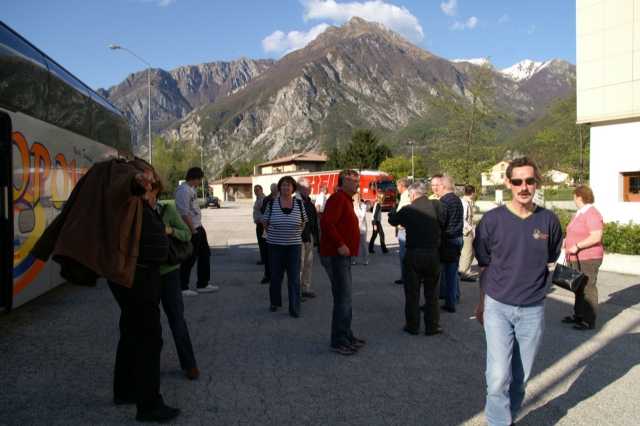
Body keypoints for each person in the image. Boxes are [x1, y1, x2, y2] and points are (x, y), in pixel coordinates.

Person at [30, 159, 181, 423]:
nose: (150, 185)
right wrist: (135, 182)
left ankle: (124, 390)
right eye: (148, 179)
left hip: (144, 276)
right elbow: (119, 186)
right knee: (148, 337)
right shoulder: (125, 179)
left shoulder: (142, 203)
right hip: (136, 276)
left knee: (131, 331)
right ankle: (149, 405)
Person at [473, 156, 562, 426]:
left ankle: (508, 416)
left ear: (538, 182)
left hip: (533, 308)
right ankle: (498, 422)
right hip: (498, 306)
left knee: (520, 379)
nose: (524, 187)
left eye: (529, 181)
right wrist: (482, 303)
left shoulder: (549, 221)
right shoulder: (491, 220)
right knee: (498, 375)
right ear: (508, 183)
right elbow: (484, 264)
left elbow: (551, 257)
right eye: (518, 181)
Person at [148, 174, 200, 381]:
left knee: (177, 320)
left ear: (155, 191)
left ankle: (189, 364)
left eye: (148, 190)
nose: (144, 194)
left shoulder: (166, 211)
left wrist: (169, 230)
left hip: (168, 274)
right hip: (144, 276)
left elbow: (186, 234)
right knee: (148, 325)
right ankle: (148, 368)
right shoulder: (134, 213)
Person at [320, 169, 366, 356]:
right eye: (355, 181)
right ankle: (339, 341)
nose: (358, 184)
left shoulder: (345, 199)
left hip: (341, 257)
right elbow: (326, 222)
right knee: (343, 299)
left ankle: (346, 335)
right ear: (344, 181)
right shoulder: (338, 198)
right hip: (335, 256)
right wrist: (340, 244)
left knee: (345, 298)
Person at [388, 182, 442, 336]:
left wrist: (395, 215)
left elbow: (393, 220)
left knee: (412, 292)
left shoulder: (408, 209)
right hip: (433, 254)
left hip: (414, 254)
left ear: (412, 195)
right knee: (432, 293)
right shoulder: (436, 206)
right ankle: (432, 327)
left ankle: (413, 326)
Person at [262, 176, 308, 318]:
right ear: (279, 188)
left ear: (293, 188)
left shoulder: (299, 204)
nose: (286, 187)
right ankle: (275, 302)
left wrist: (293, 236)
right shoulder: (272, 203)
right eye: (283, 185)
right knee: (276, 275)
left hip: (294, 246)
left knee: (294, 276)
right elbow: (265, 222)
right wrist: (274, 235)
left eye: (288, 185)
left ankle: (294, 307)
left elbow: (303, 223)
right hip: (275, 245)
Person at [561, 184, 604, 331]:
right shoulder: (580, 213)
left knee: (588, 287)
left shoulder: (592, 214)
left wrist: (577, 245)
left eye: (575, 197)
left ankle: (589, 320)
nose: (574, 199)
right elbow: (575, 231)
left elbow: (596, 236)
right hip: (576, 257)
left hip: (588, 257)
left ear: (580, 197)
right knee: (578, 286)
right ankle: (579, 314)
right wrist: (567, 241)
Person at [175, 167, 217, 296]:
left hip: (198, 226)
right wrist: (193, 231)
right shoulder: (183, 191)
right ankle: (182, 286)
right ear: (194, 178)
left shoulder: (191, 189)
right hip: (191, 228)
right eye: (199, 179)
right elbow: (183, 213)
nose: (200, 182)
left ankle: (203, 284)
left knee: (205, 253)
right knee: (190, 257)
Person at [438, 176, 464, 313]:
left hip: (449, 240)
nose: (437, 188)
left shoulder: (445, 201)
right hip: (458, 238)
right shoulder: (457, 199)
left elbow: (442, 221)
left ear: (443, 186)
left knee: (448, 273)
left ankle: (450, 303)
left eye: (438, 186)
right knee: (452, 272)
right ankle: (453, 297)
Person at [296, 177, 318, 300]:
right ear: (300, 188)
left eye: (310, 187)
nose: (310, 189)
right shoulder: (295, 201)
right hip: (298, 237)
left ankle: (305, 289)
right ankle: (295, 292)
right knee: (299, 265)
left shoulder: (309, 201)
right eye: (308, 187)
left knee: (308, 264)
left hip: (309, 236)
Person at [259, 183, 279, 284]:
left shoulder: (284, 198)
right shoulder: (267, 199)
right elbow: (263, 211)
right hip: (269, 230)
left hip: (281, 231)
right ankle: (268, 275)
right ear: (271, 190)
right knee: (268, 254)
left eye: (277, 188)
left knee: (279, 256)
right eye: (275, 189)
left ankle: (279, 276)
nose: (276, 190)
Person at [394, 178, 411, 284]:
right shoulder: (406, 195)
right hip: (405, 229)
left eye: (397, 185)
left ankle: (405, 277)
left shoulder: (406, 197)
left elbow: (407, 213)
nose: (396, 188)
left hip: (404, 229)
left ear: (401, 186)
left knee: (404, 255)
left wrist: (403, 223)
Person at [459, 185, 477, 282]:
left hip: (467, 230)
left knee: (471, 251)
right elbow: (463, 218)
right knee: (468, 253)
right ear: (473, 193)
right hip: (466, 231)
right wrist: (469, 228)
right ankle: (464, 274)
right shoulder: (465, 203)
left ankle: (462, 269)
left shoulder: (466, 201)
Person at [351, 192, 369, 265]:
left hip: (362, 227)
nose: (357, 198)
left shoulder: (364, 206)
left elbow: (362, 215)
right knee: (354, 244)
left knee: (363, 244)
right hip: (354, 228)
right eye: (356, 196)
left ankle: (366, 259)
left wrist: (358, 207)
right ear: (353, 197)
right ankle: (354, 259)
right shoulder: (351, 205)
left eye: (359, 196)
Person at [253, 185, 267, 266]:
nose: (255, 192)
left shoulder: (263, 199)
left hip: (262, 225)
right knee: (261, 242)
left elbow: (264, 211)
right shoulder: (258, 199)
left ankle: (264, 259)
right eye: (255, 190)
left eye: (257, 190)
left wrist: (264, 221)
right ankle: (263, 258)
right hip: (259, 224)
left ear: (261, 190)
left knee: (262, 242)